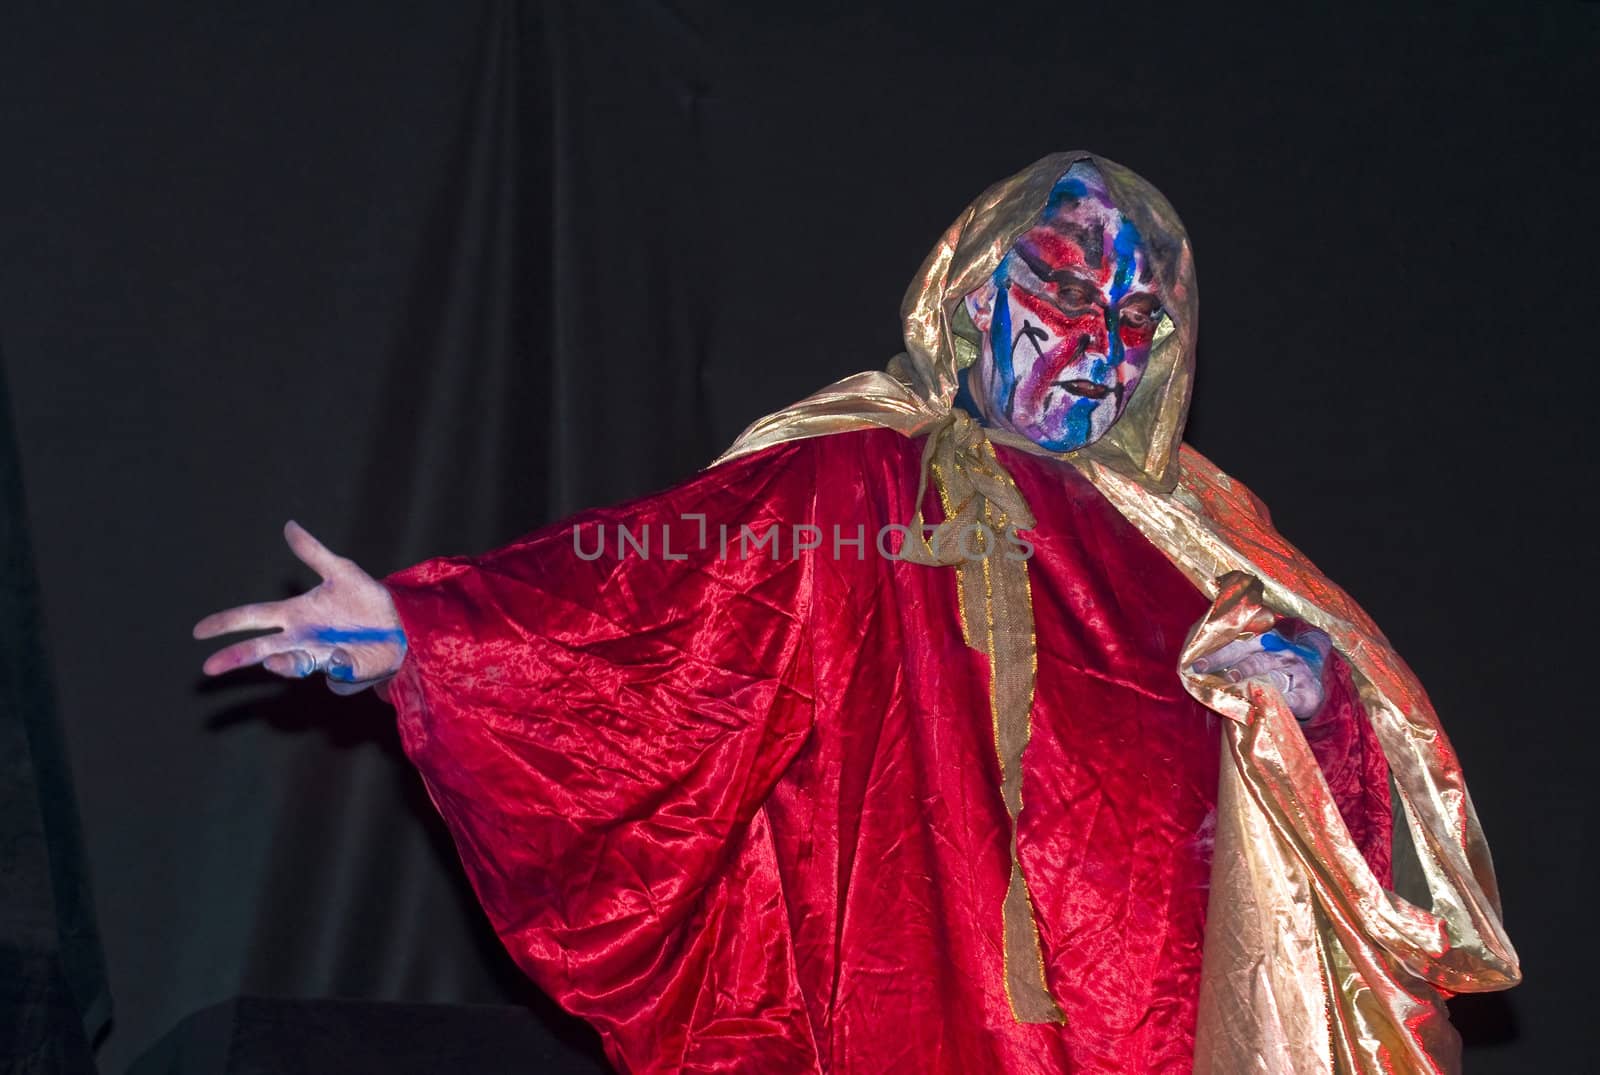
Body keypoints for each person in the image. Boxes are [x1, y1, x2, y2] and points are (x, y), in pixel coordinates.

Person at [194, 152, 1519, 1074]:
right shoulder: (861, 479)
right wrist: (427, 639)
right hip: (926, 1011)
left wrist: (1312, 698)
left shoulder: (1200, 543)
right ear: (974, 287)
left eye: (1136, 320)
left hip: (1170, 1037)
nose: (1097, 345)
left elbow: (1359, 869)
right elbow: (657, 619)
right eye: (1061, 289)